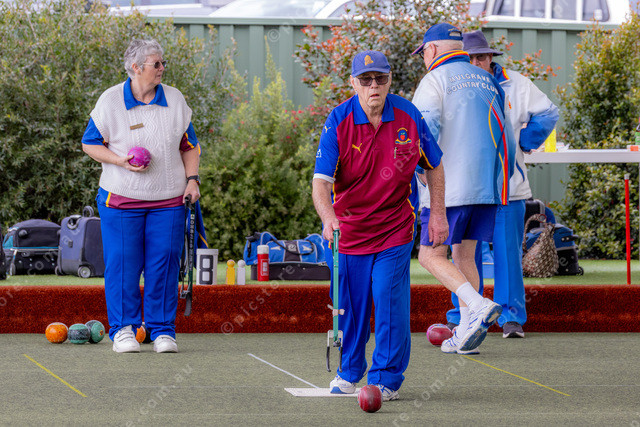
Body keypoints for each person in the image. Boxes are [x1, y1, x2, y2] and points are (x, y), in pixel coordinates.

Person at [312, 50, 445, 401]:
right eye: (366, 79)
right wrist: (328, 217)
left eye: (380, 78)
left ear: (389, 81)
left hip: (394, 228)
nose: (374, 85)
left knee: (388, 299)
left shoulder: (409, 116)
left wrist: (438, 213)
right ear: (353, 83)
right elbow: (321, 183)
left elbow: (434, 165)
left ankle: (386, 378)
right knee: (349, 308)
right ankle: (349, 370)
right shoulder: (338, 121)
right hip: (348, 231)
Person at [82, 39, 201, 353]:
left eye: (163, 63)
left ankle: (162, 331)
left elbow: (190, 145)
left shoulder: (174, 99)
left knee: (164, 265)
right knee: (123, 265)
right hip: (121, 199)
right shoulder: (110, 100)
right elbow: (89, 143)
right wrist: (120, 161)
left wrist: (192, 180)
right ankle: (123, 330)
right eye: (156, 64)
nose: (162, 69)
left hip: (169, 200)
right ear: (135, 68)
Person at [441, 30, 558, 339]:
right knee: (464, 254)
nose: (475, 63)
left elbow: (548, 113)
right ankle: (463, 314)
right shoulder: (450, 85)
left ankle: (511, 317)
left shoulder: (516, 84)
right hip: (466, 189)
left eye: (481, 57)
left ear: (490, 57)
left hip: (509, 187)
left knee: (507, 255)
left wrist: (524, 142)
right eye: (469, 58)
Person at [411, 23, 516, 354]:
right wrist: (501, 182)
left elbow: (422, 135)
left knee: (429, 255)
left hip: (447, 188)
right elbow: (508, 139)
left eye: (423, 52)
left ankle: (479, 305)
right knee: (464, 255)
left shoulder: (434, 80)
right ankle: (467, 334)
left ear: (431, 50)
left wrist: (419, 172)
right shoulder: (488, 80)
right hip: (486, 187)